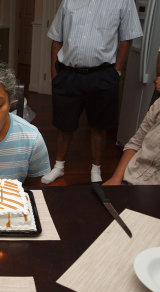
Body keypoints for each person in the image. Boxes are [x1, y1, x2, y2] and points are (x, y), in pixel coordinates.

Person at [41, 0, 143, 184]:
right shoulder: (69, 2)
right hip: (69, 74)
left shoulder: (123, 2)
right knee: (64, 124)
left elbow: (127, 39)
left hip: (102, 74)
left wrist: (116, 71)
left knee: (99, 125)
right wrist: (56, 75)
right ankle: (59, 167)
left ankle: (96, 168)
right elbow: (56, 38)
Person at [103, 97, 160, 185]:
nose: (154, 82)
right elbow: (135, 143)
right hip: (129, 177)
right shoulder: (158, 104)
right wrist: (116, 178)